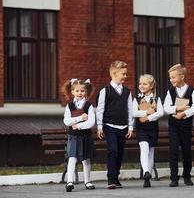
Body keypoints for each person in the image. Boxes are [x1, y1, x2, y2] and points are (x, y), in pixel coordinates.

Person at [96, 61, 133, 189]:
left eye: (126, 74)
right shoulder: (105, 91)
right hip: (109, 126)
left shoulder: (127, 92)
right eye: (123, 74)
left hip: (123, 127)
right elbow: (100, 109)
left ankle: (116, 177)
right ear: (113, 73)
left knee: (120, 152)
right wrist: (99, 126)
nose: (125, 76)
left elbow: (130, 110)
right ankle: (111, 179)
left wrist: (130, 126)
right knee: (113, 151)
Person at [163, 64, 194, 187]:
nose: (171, 80)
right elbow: (166, 107)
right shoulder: (170, 92)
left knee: (186, 150)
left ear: (182, 77)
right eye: (170, 78)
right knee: (173, 151)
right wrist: (176, 109)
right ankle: (174, 178)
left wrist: (184, 113)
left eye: (173, 77)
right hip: (173, 125)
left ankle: (187, 176)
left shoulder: (191, 90)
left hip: (186, 125)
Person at [62, 78, 96, 192]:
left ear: (85, 92)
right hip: (73, 136)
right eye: (77, 91)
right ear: (72, 92)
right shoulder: (70, 105)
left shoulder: (88, 105)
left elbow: (91, 122)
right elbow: (67, 121)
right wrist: (80, 118)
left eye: (82, 91)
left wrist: (79, 126)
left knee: (86, 159)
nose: (79, 93)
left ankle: (87, 181)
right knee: (72, 158)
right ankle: (69, 181)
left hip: (85, 135)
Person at [132, 74, 164, 188]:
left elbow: (160, 112)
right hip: (141, 128)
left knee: (151, 152)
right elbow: (133, 112)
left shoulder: (157, 99)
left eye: (144, 84)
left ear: (151, 86)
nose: (141, 85)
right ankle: (146, 171)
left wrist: (148, 117)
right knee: (144, 148)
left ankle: (148, 176)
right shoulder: (137, 99)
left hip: (153, 128)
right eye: (140, 83)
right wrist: (145, 113)